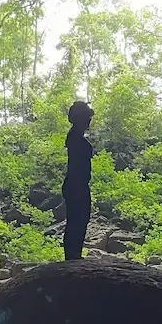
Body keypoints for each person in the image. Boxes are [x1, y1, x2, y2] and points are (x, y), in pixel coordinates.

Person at [62, 100, 94, 260]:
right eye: (87, 117)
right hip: (77, 185)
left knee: (79, 220)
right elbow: (76, 166)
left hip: (78, 184)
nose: (89, 120)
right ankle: (72, 256)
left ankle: (74, 255)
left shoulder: (76, 137)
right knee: (77, 221)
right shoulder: (75, 138)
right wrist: (78, 188)